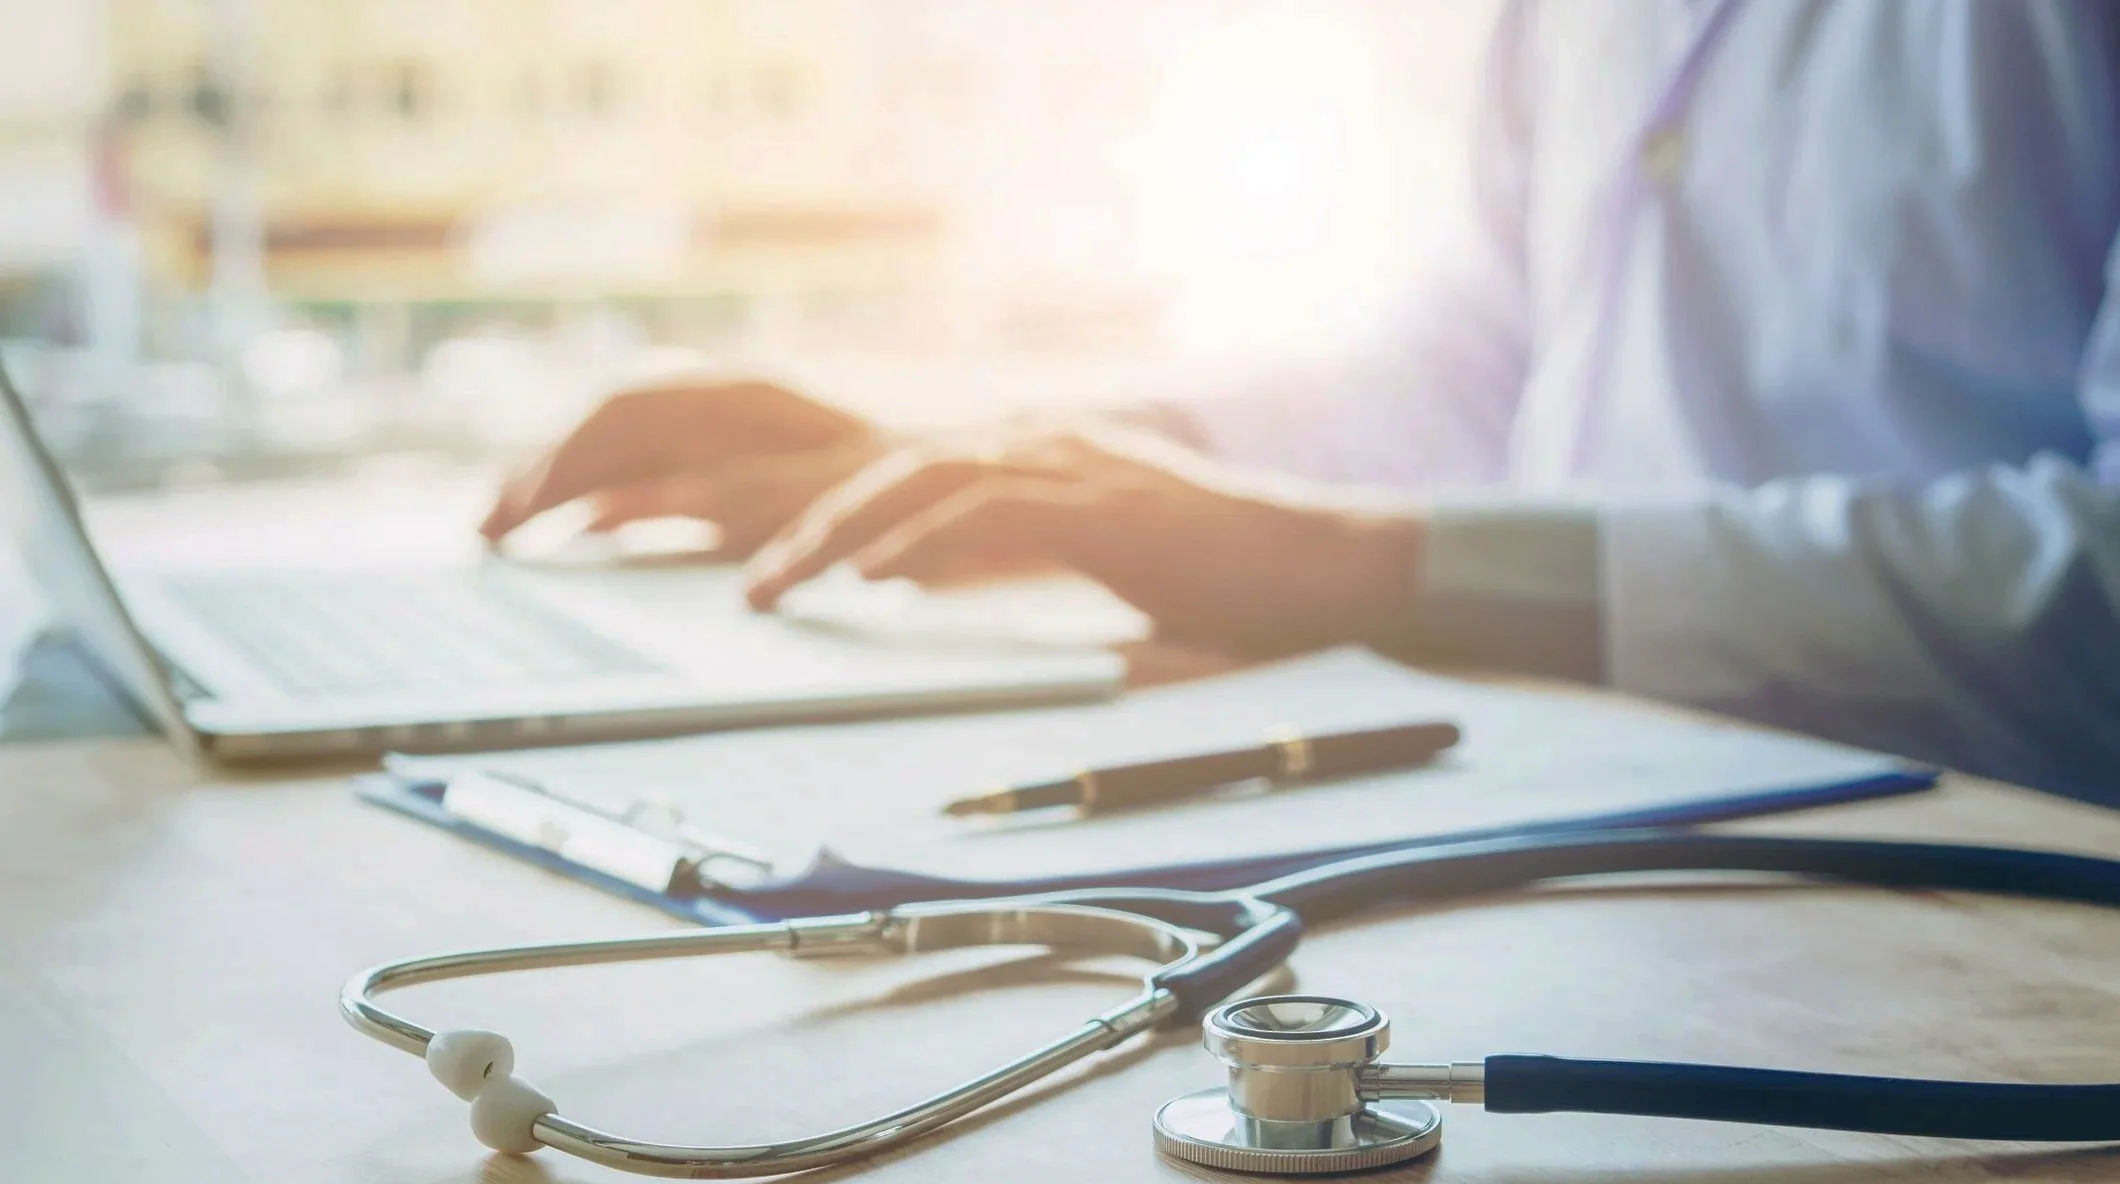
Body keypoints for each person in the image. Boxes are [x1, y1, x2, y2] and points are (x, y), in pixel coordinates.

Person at [481, 1, 2120, 806]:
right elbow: (1473, 366)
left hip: (2006, 912)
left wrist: (1369, 572)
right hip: (1584, 807)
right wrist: (984, 465)